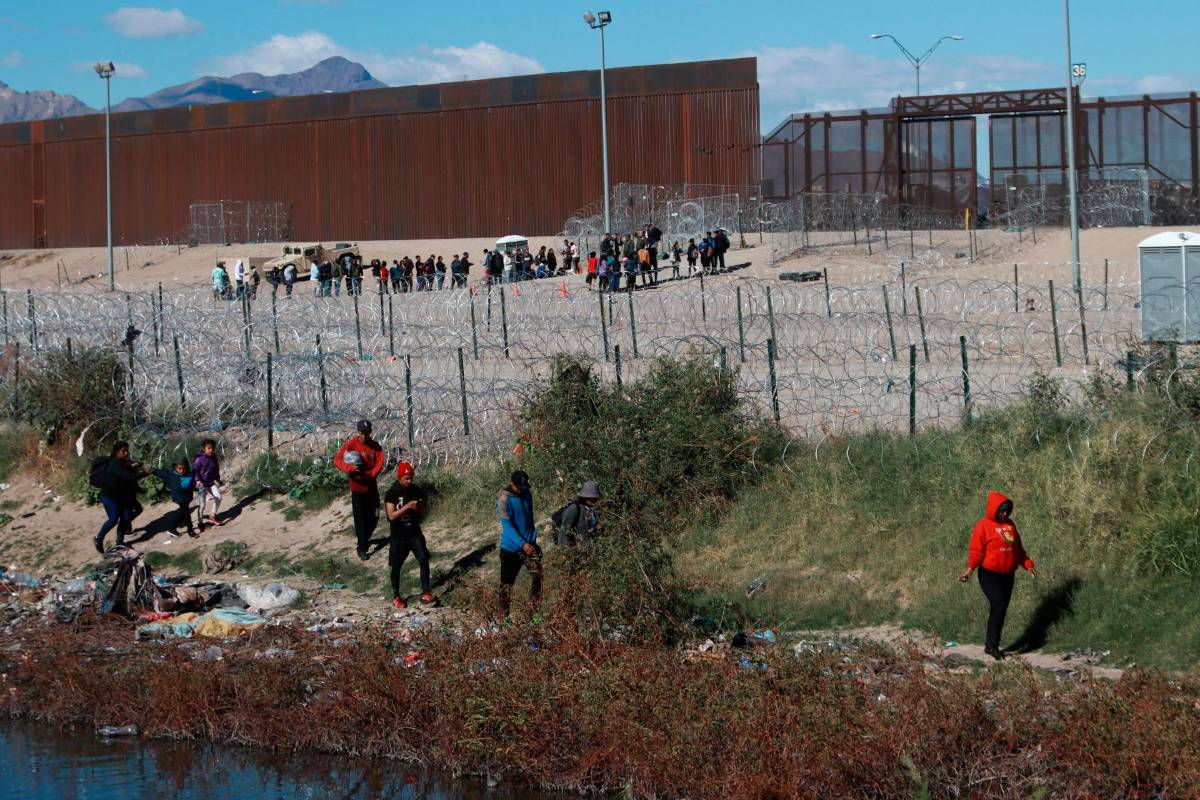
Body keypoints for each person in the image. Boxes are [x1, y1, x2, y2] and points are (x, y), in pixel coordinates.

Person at [959, 491, 1037, 661]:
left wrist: (1028, 564)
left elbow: (1018, 550)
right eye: (1001, 510)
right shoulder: (983, 526)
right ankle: (993, 647)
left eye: (1007, 510)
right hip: (989, 575)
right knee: (999, 604)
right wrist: (970, 570)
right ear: (994, 509)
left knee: (1001, 609)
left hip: (1008, 575)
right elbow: (976, 551)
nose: (1004, 513)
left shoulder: (1010, 525)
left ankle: (990, 644)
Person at [384, 462, 434, 609]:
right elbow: (391, 516)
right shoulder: (392, 493)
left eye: (411, 478)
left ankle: (426, 591)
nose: (409, 481)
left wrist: (419, 509)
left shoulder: (415, 490)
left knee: (423, 559)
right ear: (400, 477)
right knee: (396, 566)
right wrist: (406, 507)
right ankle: (396, 596)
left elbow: (423, 510)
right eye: (406, 478)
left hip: (414, 532)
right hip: (399, 535)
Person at [334, 420, 385, 560]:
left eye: (368, 433)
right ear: (358, 432)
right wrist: (350, 468)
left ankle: (364, 538)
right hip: (357, 489)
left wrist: (370, 474)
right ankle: (361, 547)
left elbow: (379, 463)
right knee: (360, 519)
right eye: (363, 433)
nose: (365, 436)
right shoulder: (351, 444)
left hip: (371, 487)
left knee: (374, 516)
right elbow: (337, 460)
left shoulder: (375, 447)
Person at [497, 470, 541, 618]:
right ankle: (504, 619)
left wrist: (532, 541)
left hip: (530, 546)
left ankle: (533, 615)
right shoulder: (504, 500)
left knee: (538, 577)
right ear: (512, 483)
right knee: (506, 585)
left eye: (524, 486)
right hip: (510, 549)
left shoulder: (527, 493)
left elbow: (529, 520)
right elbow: (508, 527)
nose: (522, 489)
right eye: (519, 487)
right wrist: (522, 544)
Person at [92, 440, 145, 553]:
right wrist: (144, 473)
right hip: (110, 496)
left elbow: (126, 467)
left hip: (121, 495)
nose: (126, 453)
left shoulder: (121, 461)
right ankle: (99, 538)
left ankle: (120, 542)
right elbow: (126, 477)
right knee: (113, 519)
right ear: (117, 452)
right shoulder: (114, 463)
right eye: (123, 451)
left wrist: (133, 465)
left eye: (127, 451)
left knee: (125, 517)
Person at [153, 460, 196, 537]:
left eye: (183, 468)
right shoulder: (172, 475)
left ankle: (172, 529)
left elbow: (192, 485)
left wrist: (197, 489)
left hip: (187, 497)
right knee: (186, 512)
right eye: (179, 468)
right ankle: (190, 530)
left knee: (183, 513)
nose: (182, 470)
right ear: (176, 468)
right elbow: (161, 473)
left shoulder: (189, 475)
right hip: (178, 497)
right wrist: (153, 470)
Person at [554, 480, 601, 547]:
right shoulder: (574, 509)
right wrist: (566, 554)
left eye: (594, 497)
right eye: (590, 496)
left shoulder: (595, 509)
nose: (593, 499)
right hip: (576, 551)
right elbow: (563, 533)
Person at [193, 438, 226, 531]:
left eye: (212, 448)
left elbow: (216, 469)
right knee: (202, 505)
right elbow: (196, 472)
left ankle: (212, 516)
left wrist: (218, 479)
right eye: (209, 448)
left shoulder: (214, 457)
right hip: (201, 485)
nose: (211, 450)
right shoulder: (199, 459)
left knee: (218, 497)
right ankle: (200, 523)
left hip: (210, 483)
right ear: (204, 448)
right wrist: (198, 480)